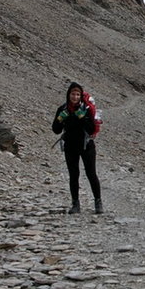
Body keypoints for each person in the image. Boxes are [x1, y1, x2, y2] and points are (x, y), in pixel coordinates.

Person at [52, 82, 103, 214]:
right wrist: (60, 119)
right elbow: (56, 130)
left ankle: (98, 202)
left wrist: (82, 118)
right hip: (70, 146)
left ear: (80, 96)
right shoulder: (63, 109)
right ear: (68, 95)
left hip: (86, 146)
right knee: (74, 175)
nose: (75, 97)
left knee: (91, 173)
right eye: (73, 94)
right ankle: (75, 204)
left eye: (77, 94)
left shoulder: (85, 109)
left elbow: (91, 128)